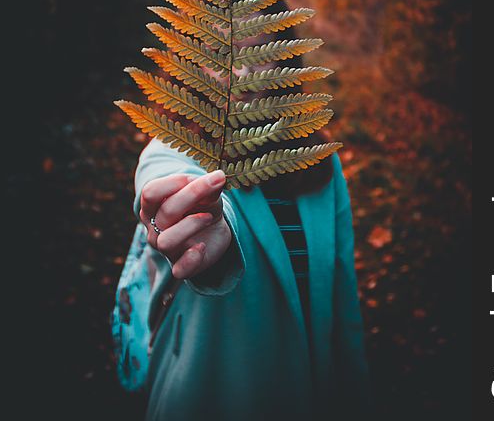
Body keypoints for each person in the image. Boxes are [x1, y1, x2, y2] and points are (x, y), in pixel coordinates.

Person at [111, 24, 371, 420]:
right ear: (193, 61)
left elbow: (342, 295)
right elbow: (166, 185)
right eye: (223, 55)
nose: (241, 75)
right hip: (206, 395)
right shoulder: (172, 150)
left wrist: (354, 395)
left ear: (284, 61)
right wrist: (207, 226)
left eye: (259, 53)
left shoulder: (320, 161)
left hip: (311, 394)